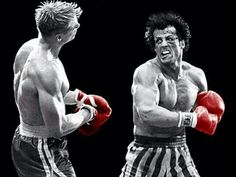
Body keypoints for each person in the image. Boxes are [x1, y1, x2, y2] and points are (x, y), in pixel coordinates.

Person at [11, 1, 112, 177]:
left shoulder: (28, 48)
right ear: (59, 37)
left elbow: (35, 96)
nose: (78, 25)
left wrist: (79, 98)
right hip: (42, 149)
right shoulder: (47, 69)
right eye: (74, 25)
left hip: (24, 138)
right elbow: (57, 129)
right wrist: (88, 113)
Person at [119, 11, 225, 177]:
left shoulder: (196, 76)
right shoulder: (146, 72)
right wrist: (191, 119)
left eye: (169, 39)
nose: (163, 44)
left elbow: (203, 115)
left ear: (182, 42)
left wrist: (209, 116)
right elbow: (146, 113)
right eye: (158, 41)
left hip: (179, 149)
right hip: (145, 150)